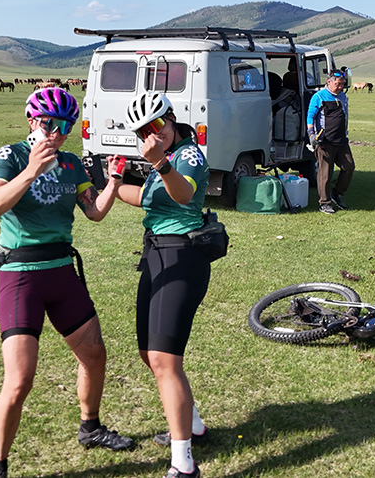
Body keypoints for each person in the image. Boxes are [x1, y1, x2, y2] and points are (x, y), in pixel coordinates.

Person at [0, 87, 134, 478]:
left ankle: (91, 427)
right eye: (48, 123)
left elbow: (94, 212)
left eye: (64, 127)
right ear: (32, 121)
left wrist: (114, 182)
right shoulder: (10, 156)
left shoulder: (72, 165)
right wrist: (31, 170)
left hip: (62, 271)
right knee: (19, 380)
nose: (55, 133)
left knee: (95, 355)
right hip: (20, 277)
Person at [114, 92, 210, 478]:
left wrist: (160, 162)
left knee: (165, 360)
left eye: (156, 126)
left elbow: (184, 194)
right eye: (143, 131)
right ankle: (192, 424)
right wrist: (105, 184)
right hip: (155, 255)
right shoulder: (160, 162)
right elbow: (145, 199)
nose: (152, 135)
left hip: (182, 255)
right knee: (146, 351)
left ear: (171, 119)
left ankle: (183, 464)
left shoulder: (187, 155)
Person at [306, 70, 355, 214]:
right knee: (325, 174)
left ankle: (337, 193)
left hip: (341, 140)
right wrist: (311, 135)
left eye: (342, 84)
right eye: (338, 84)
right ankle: (324, 203)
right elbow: (310, 117)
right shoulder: (319, 97)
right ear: (329, 82)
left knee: (349, 166)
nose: (340, 87)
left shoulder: (342, 97)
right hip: (324, 141)